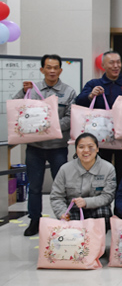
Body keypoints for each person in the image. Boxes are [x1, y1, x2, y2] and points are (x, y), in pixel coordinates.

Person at [13, 54, 76, 236]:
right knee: (34, 187)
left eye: (56, 67)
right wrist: (22, 91)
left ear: (60, 70)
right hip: (35, 147)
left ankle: (64, 218)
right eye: (48, 67)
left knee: (62, 186)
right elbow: (17, 107)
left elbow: (70, 118)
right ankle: (35, 220)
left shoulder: (69, 91)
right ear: (42, 69)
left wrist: (50, 126)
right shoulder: (31, 90)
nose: (52, 71)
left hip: (58, 148)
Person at [75, 51, 122, 181]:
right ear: (103, 65)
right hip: (100, 136)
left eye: (118, 62)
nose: (116, 66)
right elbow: (79, 101)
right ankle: (101, 194)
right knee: (100, 170)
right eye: (111, 62)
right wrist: (91, 95)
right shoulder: (93, 84)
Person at [49, 133, 116, 225]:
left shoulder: (108, 168)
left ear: (97, 148)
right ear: (76, 149)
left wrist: (86, 202)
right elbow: (57, 196)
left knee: (104, 213)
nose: (86, 150)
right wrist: (62, 213)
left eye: (90, 147)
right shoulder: (65, 169)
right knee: (73, 227)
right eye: (81, 147)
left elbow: (108, 196)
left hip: (97, 208)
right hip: (73, 209)